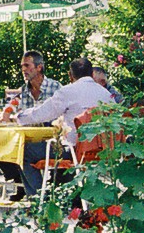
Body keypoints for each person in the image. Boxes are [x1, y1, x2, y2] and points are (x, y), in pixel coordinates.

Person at [16, 58, 113, 197]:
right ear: (92, 74)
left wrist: (19, 117)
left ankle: (43, 198)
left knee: (23, 151)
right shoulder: (106, 94)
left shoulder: (68, 91)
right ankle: (67, 196)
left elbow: (42, 113)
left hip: (74, 150)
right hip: (101, 151)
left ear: (70, 75)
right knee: (60, 147)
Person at [0, 50, 61, 193]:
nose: (23, 70)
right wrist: (5, 114)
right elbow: (7, 111)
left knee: (21, 152)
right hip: (30, 140)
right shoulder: (22, 92)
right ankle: (32, 192)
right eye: (21, 66)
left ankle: (38, 196)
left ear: (39, 67)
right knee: (2, 146)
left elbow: (63, 117)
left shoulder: (55, 87)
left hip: (52, 141)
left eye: (27, 65)